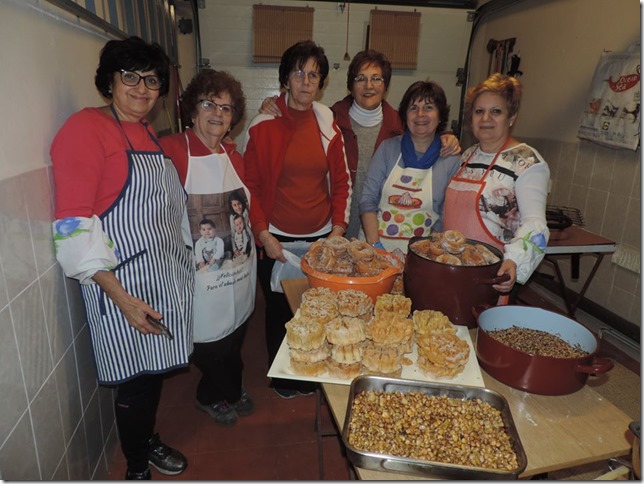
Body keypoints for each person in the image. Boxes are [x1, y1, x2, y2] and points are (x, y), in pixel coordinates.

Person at [50, 36, 193, 480]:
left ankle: (145, 440)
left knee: (150, 376)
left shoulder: (146, 131)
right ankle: (135, 466)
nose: (142, 88)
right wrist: (123, 299)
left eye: (151, 79)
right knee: (134, 378)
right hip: (120, 285)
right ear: (109, 80)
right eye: (129, 76)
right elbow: (72, 224)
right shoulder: (86, 128)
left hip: (162, 276)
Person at [242, 40, 351, 399]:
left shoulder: (326, 123)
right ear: (286, 78)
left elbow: (341, 182)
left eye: (314, 75)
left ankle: (309, 373)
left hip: (320, 238)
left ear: (321, 84)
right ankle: (284, 377)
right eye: (299, 73)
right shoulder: (263, 124)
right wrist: (263, 234)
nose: (306, 81)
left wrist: (336, 232)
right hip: (277, 238)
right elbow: (251, 186)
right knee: (278, 312)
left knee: (314, 309)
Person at [260, 49, 461, 238]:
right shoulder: (328, 120)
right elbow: (297, 115)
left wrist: (448, 136)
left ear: (386, 85)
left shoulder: (400, 127)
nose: (369, 86)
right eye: (360, 79)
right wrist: (275, 103)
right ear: (350, 85)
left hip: (382, 233)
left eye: (376, 79)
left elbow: (426, 130)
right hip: (331, 228)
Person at [159, 69, 256, 427]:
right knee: (208, 346)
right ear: (192, 109)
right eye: (209, 104)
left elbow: (249, 205)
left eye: (227, 108)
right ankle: (213, 394)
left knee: (235, 338)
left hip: (240, 272)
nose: (217, 113)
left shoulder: (233, 154)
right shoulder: (171, 150)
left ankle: (230, 385)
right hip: (198, 278)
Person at [443, 73, 550, 293]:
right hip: (451, 266)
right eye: (479, 111)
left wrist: (513, 262)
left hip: (489, 273)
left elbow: (536, 225)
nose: (485, 119)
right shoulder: (468, 156)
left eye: (496, 111)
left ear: (511, 118)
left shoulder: (527, 162)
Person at [360, 80, 462, 254]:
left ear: (440, 116)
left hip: (422, 256)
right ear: (405, 115)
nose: (420, 114)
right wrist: (375, 245)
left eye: (429, 107)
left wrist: (429, 255)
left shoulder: (450, 159)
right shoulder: (388, 148)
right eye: (413, 108)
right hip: (374, 250)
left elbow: (447, 217)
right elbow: (367, 199)